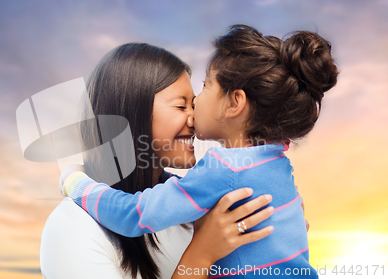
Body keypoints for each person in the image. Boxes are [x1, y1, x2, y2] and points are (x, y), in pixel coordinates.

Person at [61, 25, 337, 278]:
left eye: (205, 87)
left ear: (234, 103)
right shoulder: (276, 161)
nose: (193, 113)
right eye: (182, 106)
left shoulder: (223, 167)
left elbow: (134, 215)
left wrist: (75, 183)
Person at [40, 42, 277, 279]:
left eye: (193, 105)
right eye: (180, 106)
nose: (194, 119)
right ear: (131, 113)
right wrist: (202, 253)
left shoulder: (195, 213)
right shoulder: (71, 227)